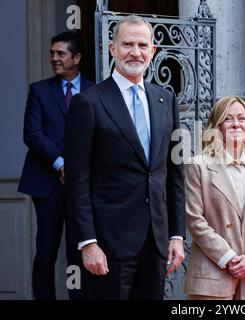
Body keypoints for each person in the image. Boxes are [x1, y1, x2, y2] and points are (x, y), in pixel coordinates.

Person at [64, 15, 186, 300]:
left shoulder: (165, 99)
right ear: (112, 49)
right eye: (127, 44)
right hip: (108, 242)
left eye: (143, 44)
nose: (135, 51)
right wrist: (88, 242)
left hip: (155, 241)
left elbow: (173, 173)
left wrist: (176, 235)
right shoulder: (89, 102)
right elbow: (76, 179)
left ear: (152, 51)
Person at [18, 31, 93, 300]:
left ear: (77, 57)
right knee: (47, 248)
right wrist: (61, 164)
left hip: (83, 184)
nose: (54, 58)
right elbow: (32, 134)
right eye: (52, 53)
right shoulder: (39, 90)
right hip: (48, 183)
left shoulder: (94, 90)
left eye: (60, 53)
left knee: (79, 248)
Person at [184, 97, 245, 300]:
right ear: (217, 126)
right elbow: (194, 220)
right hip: (212, 275)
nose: (236, 124)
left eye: (241, 118)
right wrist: (228, 258)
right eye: (228, 119)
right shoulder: (197, 166)